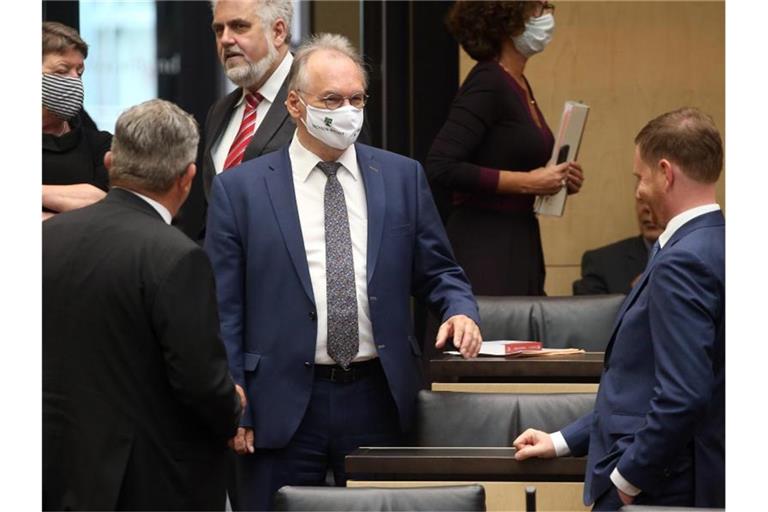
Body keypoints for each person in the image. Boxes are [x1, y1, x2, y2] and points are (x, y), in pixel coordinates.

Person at [205, 33, 483, 511]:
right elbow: (222, 308)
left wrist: (460, 310)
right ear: (295, 105)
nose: (348, 110)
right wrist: (235, 400)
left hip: (379, 397)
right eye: (332, 99)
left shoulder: (401, 177)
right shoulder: (241, 190)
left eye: (357, 98)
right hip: (280, 401)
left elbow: (440, 271)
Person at [513, 108, 725, 510]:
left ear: (665, 172)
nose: (638, 190)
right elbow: (644, 384)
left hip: (661, 488)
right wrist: (561, 441)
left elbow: (682, 395)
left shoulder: (682, 261)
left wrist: (627, 480)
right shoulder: (719, 243)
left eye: (640, 176)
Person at [43, 99, 244, 511]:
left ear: (110, 162)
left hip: (54, 472)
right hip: (149, 483)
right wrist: (232, 407)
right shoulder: (179, 257)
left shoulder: (46, 240)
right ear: (187, 179)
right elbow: (199, 381)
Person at [425, 1, 584, 297]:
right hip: (485, 245)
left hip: (518, 237)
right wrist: (529, 183)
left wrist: (558, 180)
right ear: (508, 21)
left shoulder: (517, 82)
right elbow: (441, 164)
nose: (547, 17)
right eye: (537, 9)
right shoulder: (488, 82)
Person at [42, 21, 112, 220]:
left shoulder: (99, 143)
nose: (74, 80)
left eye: (79, 72)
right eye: (62, 71)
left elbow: (103, 203)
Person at [573, 197, 663, 295]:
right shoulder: (601, 263)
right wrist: (633, 295)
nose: (647, 209)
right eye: (641, 201)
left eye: (657, 201)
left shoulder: (681, 258)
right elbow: (590, 309)